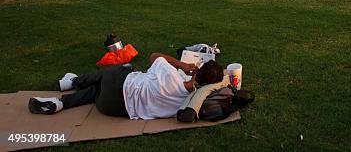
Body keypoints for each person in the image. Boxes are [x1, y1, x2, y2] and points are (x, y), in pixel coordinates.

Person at [28, 53, 224, 120]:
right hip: (113, 108)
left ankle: (72, 81)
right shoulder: (188, 104)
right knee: (96, 91)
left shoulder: (171, 75)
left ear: (196, 71)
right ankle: (60, 103)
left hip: (118, 85)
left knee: (117, 71)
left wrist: (181, 65)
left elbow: (154, 56)